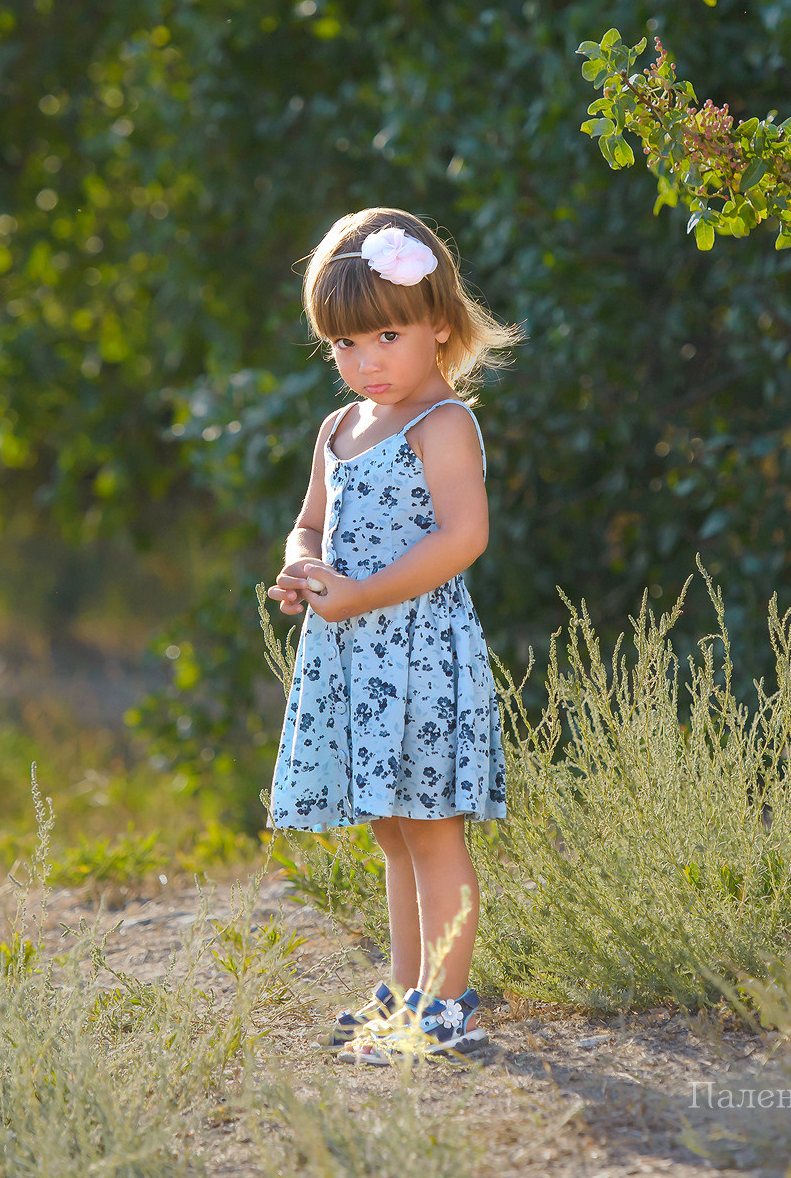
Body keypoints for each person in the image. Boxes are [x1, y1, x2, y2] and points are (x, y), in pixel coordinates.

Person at [266, 207, 522, 1065]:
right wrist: (303, 571)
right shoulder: (338, 430)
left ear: (439, 328)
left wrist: (363, 591)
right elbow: (309, 524)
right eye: (344, 345)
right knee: (391, 828)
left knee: (434, 828)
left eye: (385, 335)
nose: (365, 362)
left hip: (420, 655)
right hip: (352, 653)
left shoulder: (441, 424)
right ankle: (408, 990)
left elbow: (462, 538)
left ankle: (448, 1006)